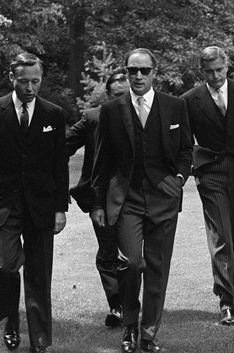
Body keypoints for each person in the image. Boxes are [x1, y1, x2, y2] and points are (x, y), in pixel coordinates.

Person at [90, 48, 193, 353]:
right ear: (126, 71)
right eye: (132, 70)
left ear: (154, 72)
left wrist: (178, 180)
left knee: (158, 268)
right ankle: (130, 327)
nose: (137, 76)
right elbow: (102, 161)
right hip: (127, 199)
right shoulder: (111, 110)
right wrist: (97, 204)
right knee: (132, 263)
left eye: (144, 70)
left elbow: (186, 149)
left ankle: (148, 335)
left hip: (164, 198)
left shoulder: (175, 106)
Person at [0, 52, 68, 353]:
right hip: (5, 206)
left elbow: (59, 164)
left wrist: (60, 208)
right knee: (6, 268)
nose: (30, 87)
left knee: (40, 275)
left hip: (41, 206)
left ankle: (40, 341)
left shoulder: (53, 113)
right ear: (11, 78)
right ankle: (10, 319)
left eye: (35, 81)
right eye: (24, 81)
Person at [66, 73, 130, 327]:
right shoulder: (93, 117)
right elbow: (61, 148)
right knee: (108, 252)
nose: (124, 100)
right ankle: (117, 306)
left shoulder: (146, 116)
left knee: (134, 256)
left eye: (127, 94)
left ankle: (130, 303)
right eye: (117, 96)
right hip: (100, 198)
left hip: (137, 196)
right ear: (108, 96)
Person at [182, 46, 234, 326]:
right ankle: (227, 302)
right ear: (201, 72)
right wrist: (190, 167)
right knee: (221, 236)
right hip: (211, 173)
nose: (215, 76)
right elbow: (182, 141)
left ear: (227, 66)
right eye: (209, 72)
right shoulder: (190, 100)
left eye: (219, 70)